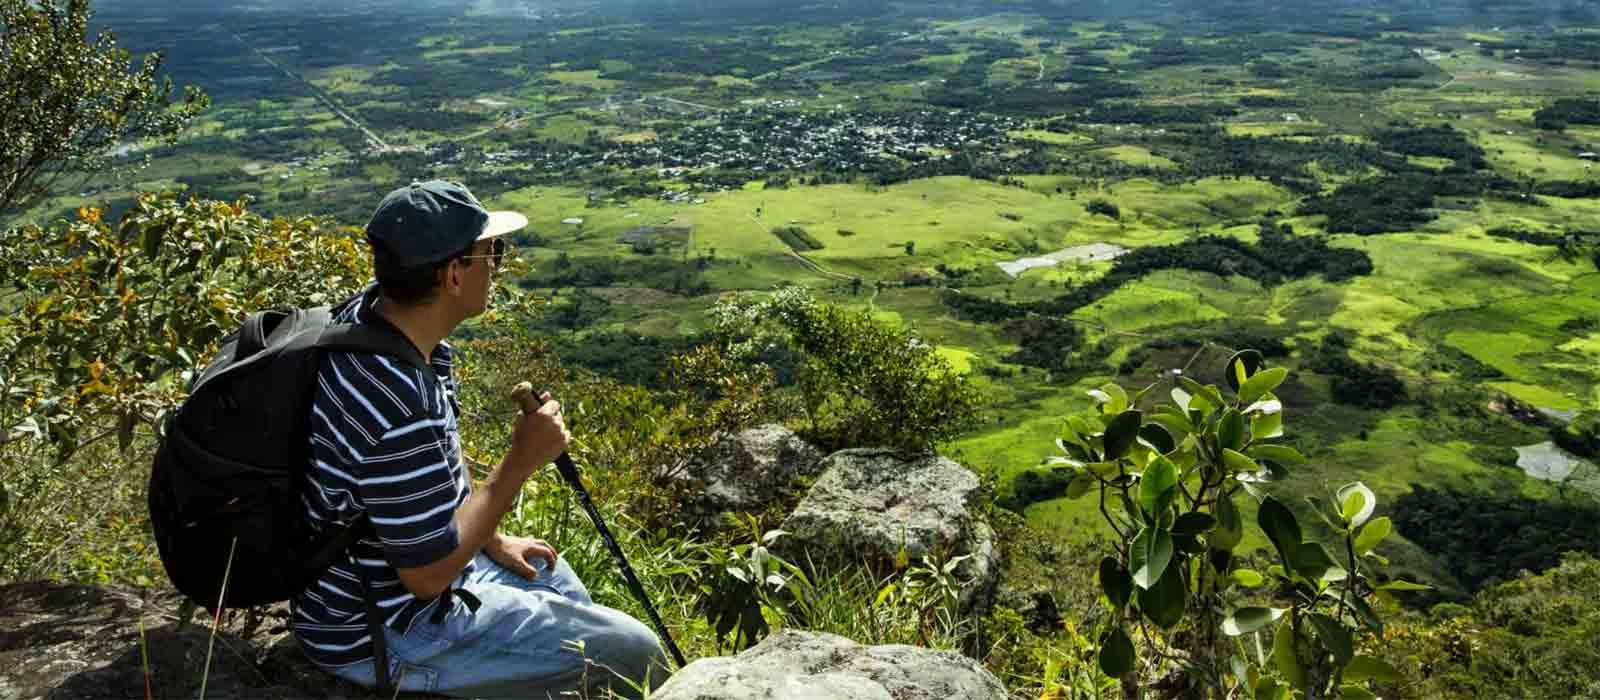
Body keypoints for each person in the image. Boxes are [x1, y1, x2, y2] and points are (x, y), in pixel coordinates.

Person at [292, 180, 670, 698]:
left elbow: (431, 466)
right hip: (385, 627)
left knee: (553, 577)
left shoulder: (377, 325)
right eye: (492, 252)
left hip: (389, 579)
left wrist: (491, 540)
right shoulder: (397, 400)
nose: (497, 265)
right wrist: (520, 461)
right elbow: (426, 576)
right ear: (453, 273)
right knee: (635, 651)